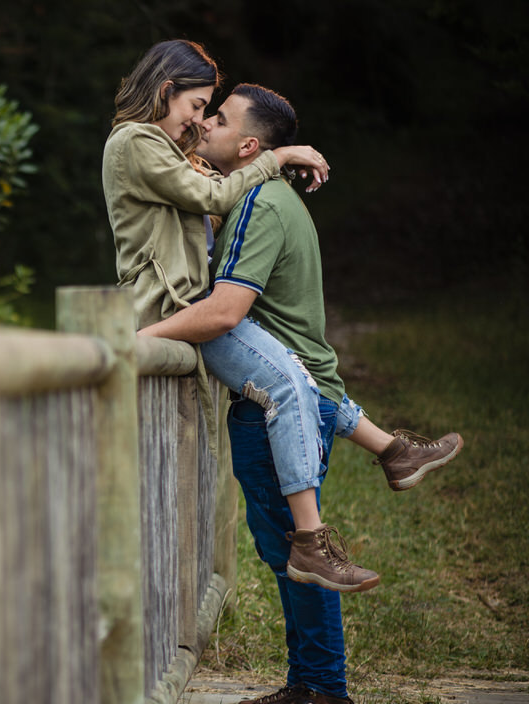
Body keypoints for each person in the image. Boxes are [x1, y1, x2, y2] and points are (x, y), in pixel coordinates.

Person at [137, 83, 462, 704]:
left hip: (276, 406)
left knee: (298, 551)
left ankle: (325, 696)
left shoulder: (262, 202)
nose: (205, 123)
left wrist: (138, 337)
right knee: (290, 550)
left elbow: (227, 310)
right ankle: (308, 681)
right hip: (302, 397)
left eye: (219, 119)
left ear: (251, 145)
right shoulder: (265, 195)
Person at [104, 41, 462, 596]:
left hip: (185, 305)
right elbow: (209, 194)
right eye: (197, 107)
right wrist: (278, 156)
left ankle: (391, 455)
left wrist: (265, 163)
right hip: (170, 305)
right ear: (164, 90)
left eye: (209, 112)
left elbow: (215, 200)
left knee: (296, 379)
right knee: (293, 383)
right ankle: (315, 537)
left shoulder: (168, 147)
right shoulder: (135, 140)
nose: (199, 122)